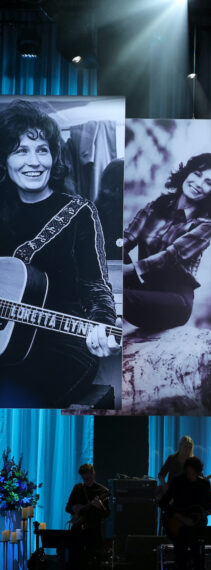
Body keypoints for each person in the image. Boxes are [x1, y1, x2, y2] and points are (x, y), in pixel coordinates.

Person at [0, 99, 118, 408]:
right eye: (20, 150)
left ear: (54, 156)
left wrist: (102, 324)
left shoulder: (78, 211)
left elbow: (96, 286)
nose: (34, 161)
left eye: (42, 150)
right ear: (4, 159)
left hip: (63, 345)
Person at [121, 152, 211, 331]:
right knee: (112, 249)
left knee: (118, 297)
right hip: (144, 288)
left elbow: (170, 257)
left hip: (174, 302)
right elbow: (128, 237)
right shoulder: (155, 207)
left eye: (208, 183)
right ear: (187, 173)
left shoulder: (204, 225)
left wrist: (128, 271)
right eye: (197, 174)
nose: (198, 184)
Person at [159, 456, 211, 570]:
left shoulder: (204, 484)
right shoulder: (177, 481)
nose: (190, 475)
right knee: (181, 559)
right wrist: (180, 517)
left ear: (198, 472)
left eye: (193, 472)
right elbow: (163, 503)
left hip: (197, 526)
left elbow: (209, 507)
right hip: (178, 526)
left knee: (198, 559)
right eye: (188, 472)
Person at [65, 463, 109, 569]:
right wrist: (73, 508)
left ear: (93, 474)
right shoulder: (78, 488)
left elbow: (107, 514)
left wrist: (101, 506)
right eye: (84, 479)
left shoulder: (103, 491)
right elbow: (68, 507)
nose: (86, 481)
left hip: (94, 531)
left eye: (89, 478)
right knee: (75, 560)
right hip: (78, 530)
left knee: (93, 562)